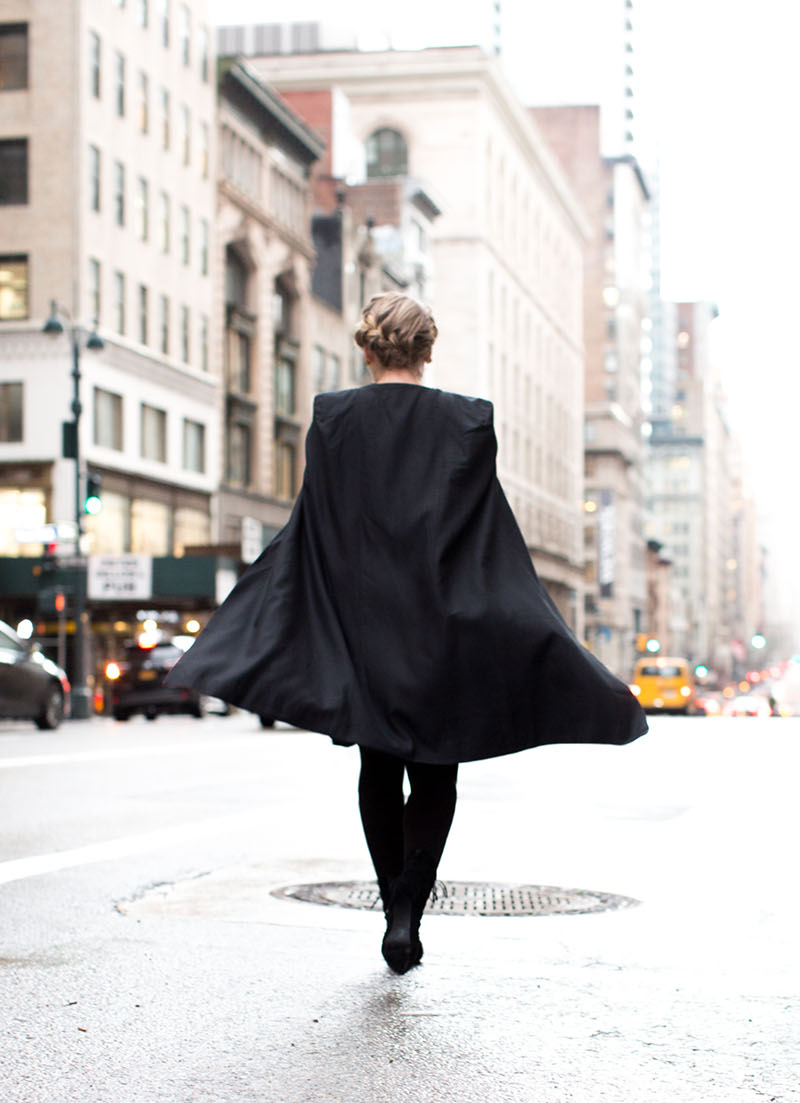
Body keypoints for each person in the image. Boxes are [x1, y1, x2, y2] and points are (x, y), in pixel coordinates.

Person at [167, 291, 647, 974]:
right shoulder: (470, 420)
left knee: (377, 768)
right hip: (441, 625)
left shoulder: (332, 417)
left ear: (365, 348)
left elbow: (319, 528)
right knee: (436, 771)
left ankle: (392, 902)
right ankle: (407, 910)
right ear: (428, 349)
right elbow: (484, 538)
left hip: (366, 629)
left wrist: (288, 615)